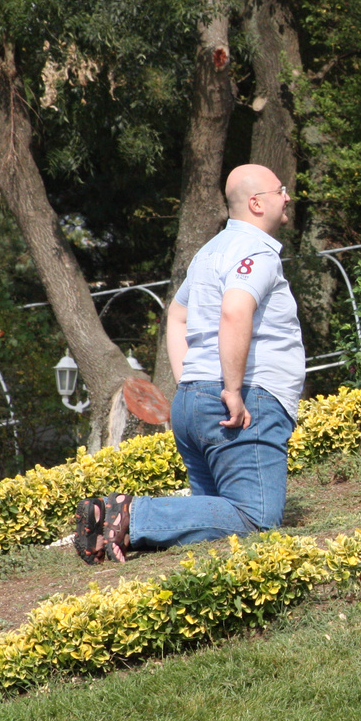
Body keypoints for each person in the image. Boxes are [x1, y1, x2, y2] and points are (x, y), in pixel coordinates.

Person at [74, 164, 305, 564]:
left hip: (195, 401)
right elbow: (236, 311)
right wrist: (231, 390)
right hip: (245, 399)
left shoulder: (210, 251)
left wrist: (190, 384)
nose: (287, 196)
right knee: (256, 517)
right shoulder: (256, 251)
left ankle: (115, 527)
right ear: (256, 203)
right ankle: (131, 513)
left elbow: (176, 315)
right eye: (280, 190)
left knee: (215, 526)